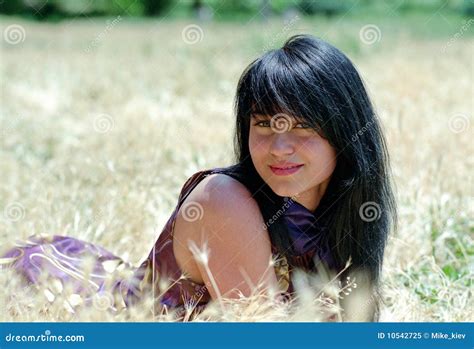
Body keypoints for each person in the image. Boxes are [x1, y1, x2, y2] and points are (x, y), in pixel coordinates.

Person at [1, 34, 397, 321]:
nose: (279, 146)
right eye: (263, 124)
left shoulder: (347, 211)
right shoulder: (224, 200)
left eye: (302, 127)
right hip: (62, 302)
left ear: (344, 132)